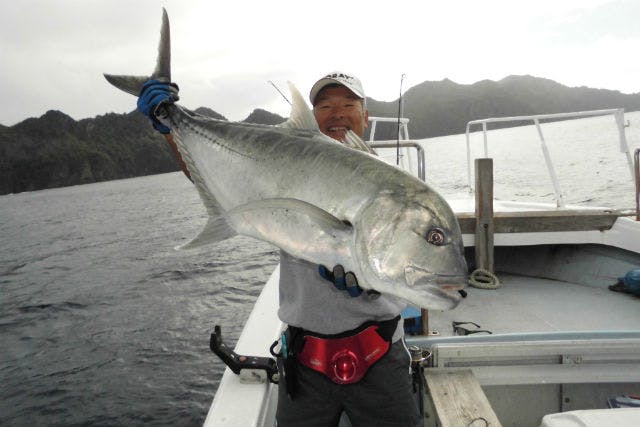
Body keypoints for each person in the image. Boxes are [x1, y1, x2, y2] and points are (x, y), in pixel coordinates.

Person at [137, 72, 422, 427]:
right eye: (325, 105)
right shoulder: (288, 168)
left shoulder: (398, 189)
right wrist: (170, 127)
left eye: (349, 105)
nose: (337, 113)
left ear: (365, 117)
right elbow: (214, 177)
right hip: (307, 362)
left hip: (381, 357)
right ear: (311, 118)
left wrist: (374, 280)